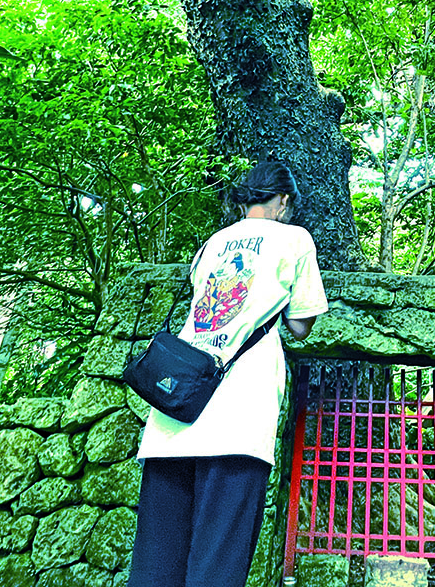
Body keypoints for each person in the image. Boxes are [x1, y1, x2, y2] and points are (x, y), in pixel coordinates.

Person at [129, 160, 329, 587]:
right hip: (239, 415)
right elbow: (301, 322)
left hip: (175, 413)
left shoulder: (213, 243)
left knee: (156, 568)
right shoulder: (295, 239)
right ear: (284, 201)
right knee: (216, 567)